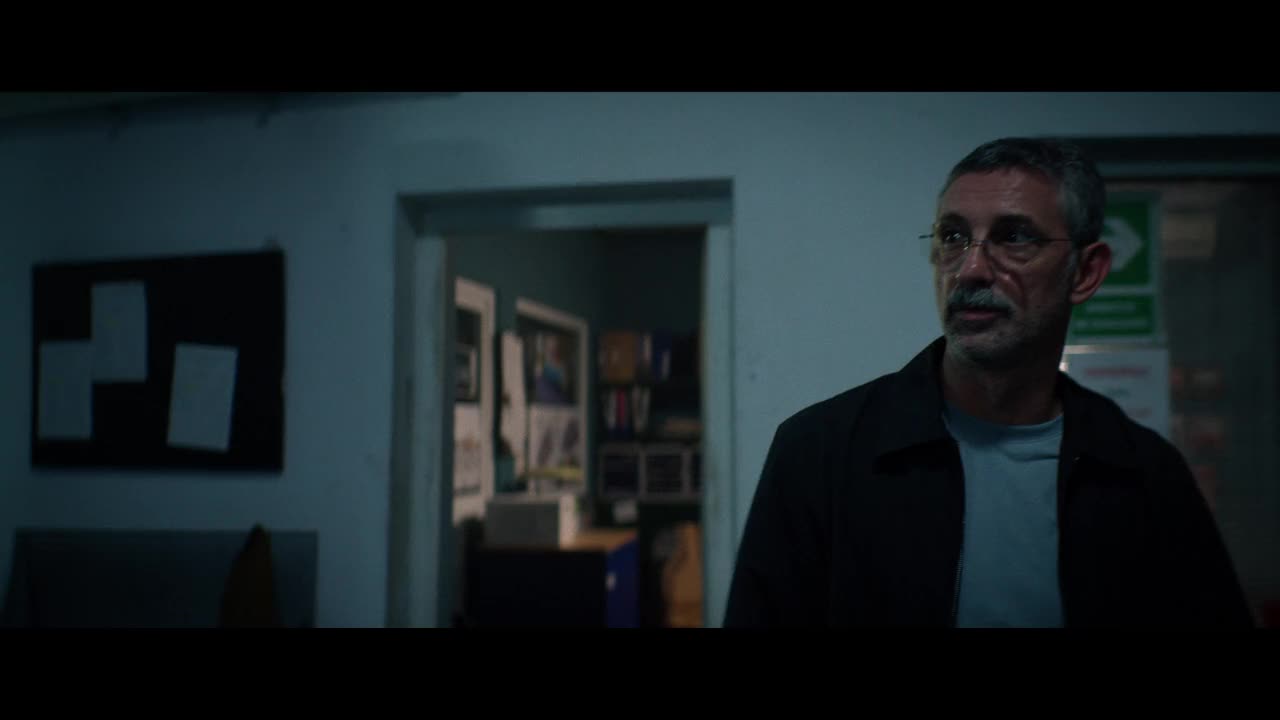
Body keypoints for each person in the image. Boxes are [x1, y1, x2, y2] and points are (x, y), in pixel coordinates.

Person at [723, 137, 1253, 628]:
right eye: (953, 237)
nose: (971, 269)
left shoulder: (1144, 474)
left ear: (1085, 272)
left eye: (1014, 236)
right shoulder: (821, 452)